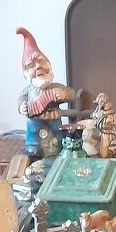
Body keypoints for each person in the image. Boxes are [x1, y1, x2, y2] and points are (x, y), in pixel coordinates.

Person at [15, 27, 73, 159]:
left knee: (58, 131)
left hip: (53, 118)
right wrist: (22, 107)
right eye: (31, 66)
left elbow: (72, 93)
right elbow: (20, 100)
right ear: (25, 74)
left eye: (41, 62)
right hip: (35, 120)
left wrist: (64, 94)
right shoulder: (28, 91)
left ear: (49, 66)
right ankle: (33, 146)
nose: (38, 67)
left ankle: (60, 144)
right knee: (32, 130)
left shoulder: (55, 87)